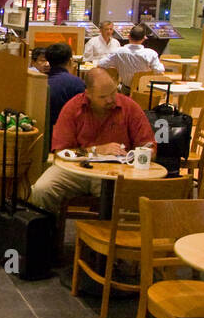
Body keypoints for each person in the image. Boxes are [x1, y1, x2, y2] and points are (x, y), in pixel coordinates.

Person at [28, 68, 156, 213]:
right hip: (77, 169)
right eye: (102, 97)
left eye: (113, 93)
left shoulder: (129, 107)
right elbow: (62, 153)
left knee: (123, 201)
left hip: (117, 172)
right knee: (41, 190)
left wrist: (143, 154)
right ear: (88, 94)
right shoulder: (73, 108)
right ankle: (49, 232)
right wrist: (96, 151)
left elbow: (148, 144)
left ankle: (109, 234)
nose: (110, 100)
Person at [97, 22, 164, 90]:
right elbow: (159, 71)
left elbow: (101, 64)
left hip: (126, 90)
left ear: (128, 36)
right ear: (144, 38)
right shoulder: (151, 53)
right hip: (145, 91)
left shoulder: (118, 52)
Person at [43, 42, 84, 127]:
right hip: (67, 131)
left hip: (43, 131)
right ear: (70, 61)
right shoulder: (77, 83)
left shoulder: (39, 82)